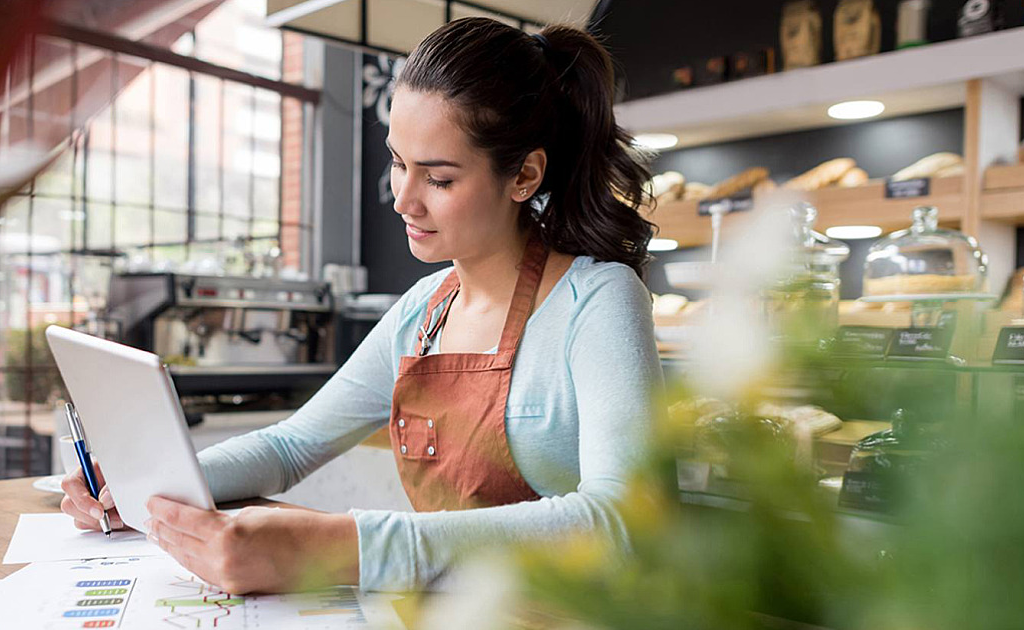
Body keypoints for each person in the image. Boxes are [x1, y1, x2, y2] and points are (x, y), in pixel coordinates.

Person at [61, 16, 664, 594]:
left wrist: (338, 546)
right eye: (398, 161)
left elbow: (620, 522)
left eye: (440, 179)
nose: (403, 199)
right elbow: (290, 446)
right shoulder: (422, 311)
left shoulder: (599, 301)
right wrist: (145, 485)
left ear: (525, 176)